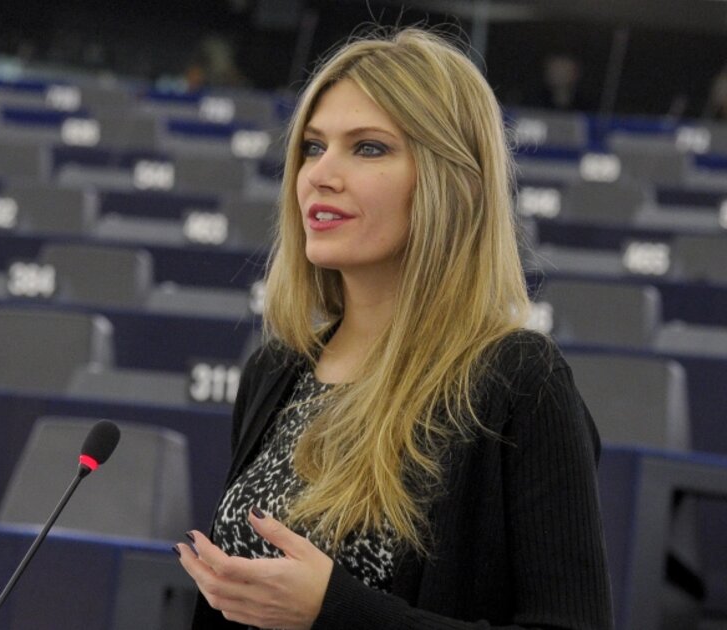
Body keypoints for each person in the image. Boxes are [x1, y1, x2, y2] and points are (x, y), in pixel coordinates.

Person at [174, 27, 612, 630]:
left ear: (451, 182)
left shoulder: (519, 381)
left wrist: (335, 611)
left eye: (369, 148)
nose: (320, 174)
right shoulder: (275, 370)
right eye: (313, 147)